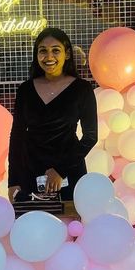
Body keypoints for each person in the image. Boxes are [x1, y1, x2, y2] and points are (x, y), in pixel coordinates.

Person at [8, 27, 98, 202]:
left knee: (71, 227)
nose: (49, 57)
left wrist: (60, 170)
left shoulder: (82, 89)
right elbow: (17, 136)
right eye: (43, 51)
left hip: (69, 172)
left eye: (56, 50)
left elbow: (90, 137)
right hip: (30, 173)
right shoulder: (25, 90)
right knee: (33, 225)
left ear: (68, 54)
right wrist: (14, 181)